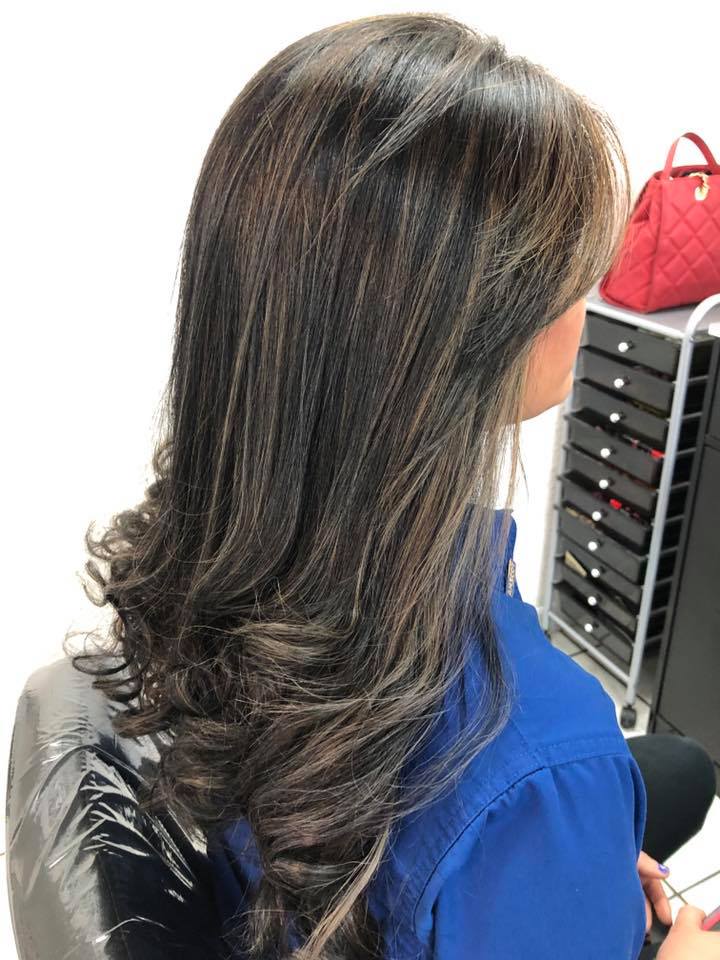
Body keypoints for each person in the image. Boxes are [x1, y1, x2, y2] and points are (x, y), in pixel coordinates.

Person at [69, 12, 719, 959]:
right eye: (580, 275)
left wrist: (563, 872)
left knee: (682, 768)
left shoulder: (219, 537)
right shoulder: (541, 757)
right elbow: (514, 789)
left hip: (302, 878)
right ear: (487, 333)